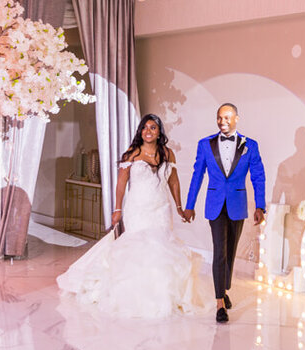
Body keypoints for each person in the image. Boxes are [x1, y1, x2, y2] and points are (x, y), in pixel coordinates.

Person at [57, 114, 207, 318]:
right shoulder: (132, 154)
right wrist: (117, 210)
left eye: (153, 127)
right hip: (137, 208)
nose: (148, 131)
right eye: (144, 127)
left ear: (159, 131)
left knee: (161, 247)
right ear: (140, 131)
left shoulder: (168, 153)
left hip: (161, 208)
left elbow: (173, 181)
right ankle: (133, 295)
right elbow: (121, 185)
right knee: (138, 247)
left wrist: (180, 206)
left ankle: (160, 293)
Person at [183, 103, 266, 323]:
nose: (223, 121)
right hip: (215, 204)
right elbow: (197, 176)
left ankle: (225, 288)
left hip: (237, 204)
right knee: (219, 250)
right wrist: (189, 205)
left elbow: (258, 177)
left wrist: (260, 206)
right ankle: (219, 303)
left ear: (237, 118)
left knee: (230, 251)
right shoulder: (205, 144)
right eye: (219, 118)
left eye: (227, 117)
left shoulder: (251, 146)